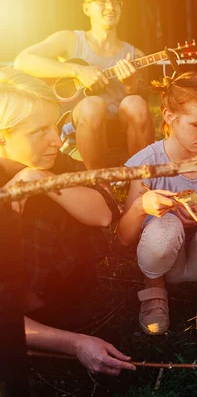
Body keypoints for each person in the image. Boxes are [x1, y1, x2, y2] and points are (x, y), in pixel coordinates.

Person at [0, 68, 135, 375]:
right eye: (39, 131)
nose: (57, 141)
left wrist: (39, 178)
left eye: (56, 126)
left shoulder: (54, 164)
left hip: (66, 301)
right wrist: (75, 344)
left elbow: (103, 213)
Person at [118, 72, 197, 335]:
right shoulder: (147, 163)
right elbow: (124, 238)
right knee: (165, 226)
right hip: (163, 260)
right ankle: (154, 287)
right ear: (169, 117)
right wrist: (141, 206)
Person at [13, 0, 154, 170]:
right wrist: (78, 71)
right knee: (92, 105)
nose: (110, 6)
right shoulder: (70, 40)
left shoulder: (135, 54)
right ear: (86, 8)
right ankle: (99, 183)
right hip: (82, 123)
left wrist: (130, 85)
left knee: (136, 103)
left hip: (120, 127)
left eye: (116, 1)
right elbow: (23, 61)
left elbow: (142, 106)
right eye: (101, 0)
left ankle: (141, 179)